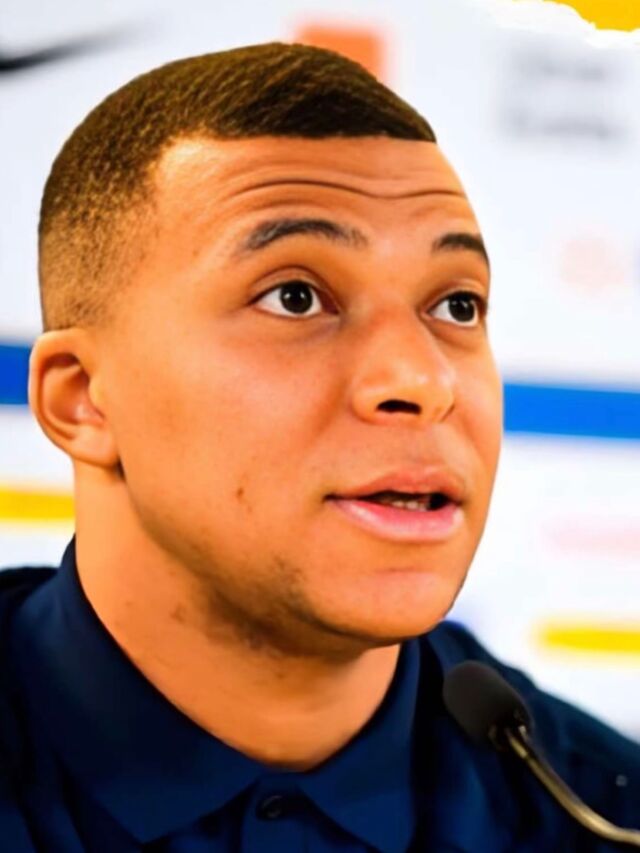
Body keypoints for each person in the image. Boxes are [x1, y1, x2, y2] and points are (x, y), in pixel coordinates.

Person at [1, 42, 637, 852]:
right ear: (83, 397)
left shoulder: (604, 816)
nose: (422, 378)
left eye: (456, 305)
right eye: (296, 297)